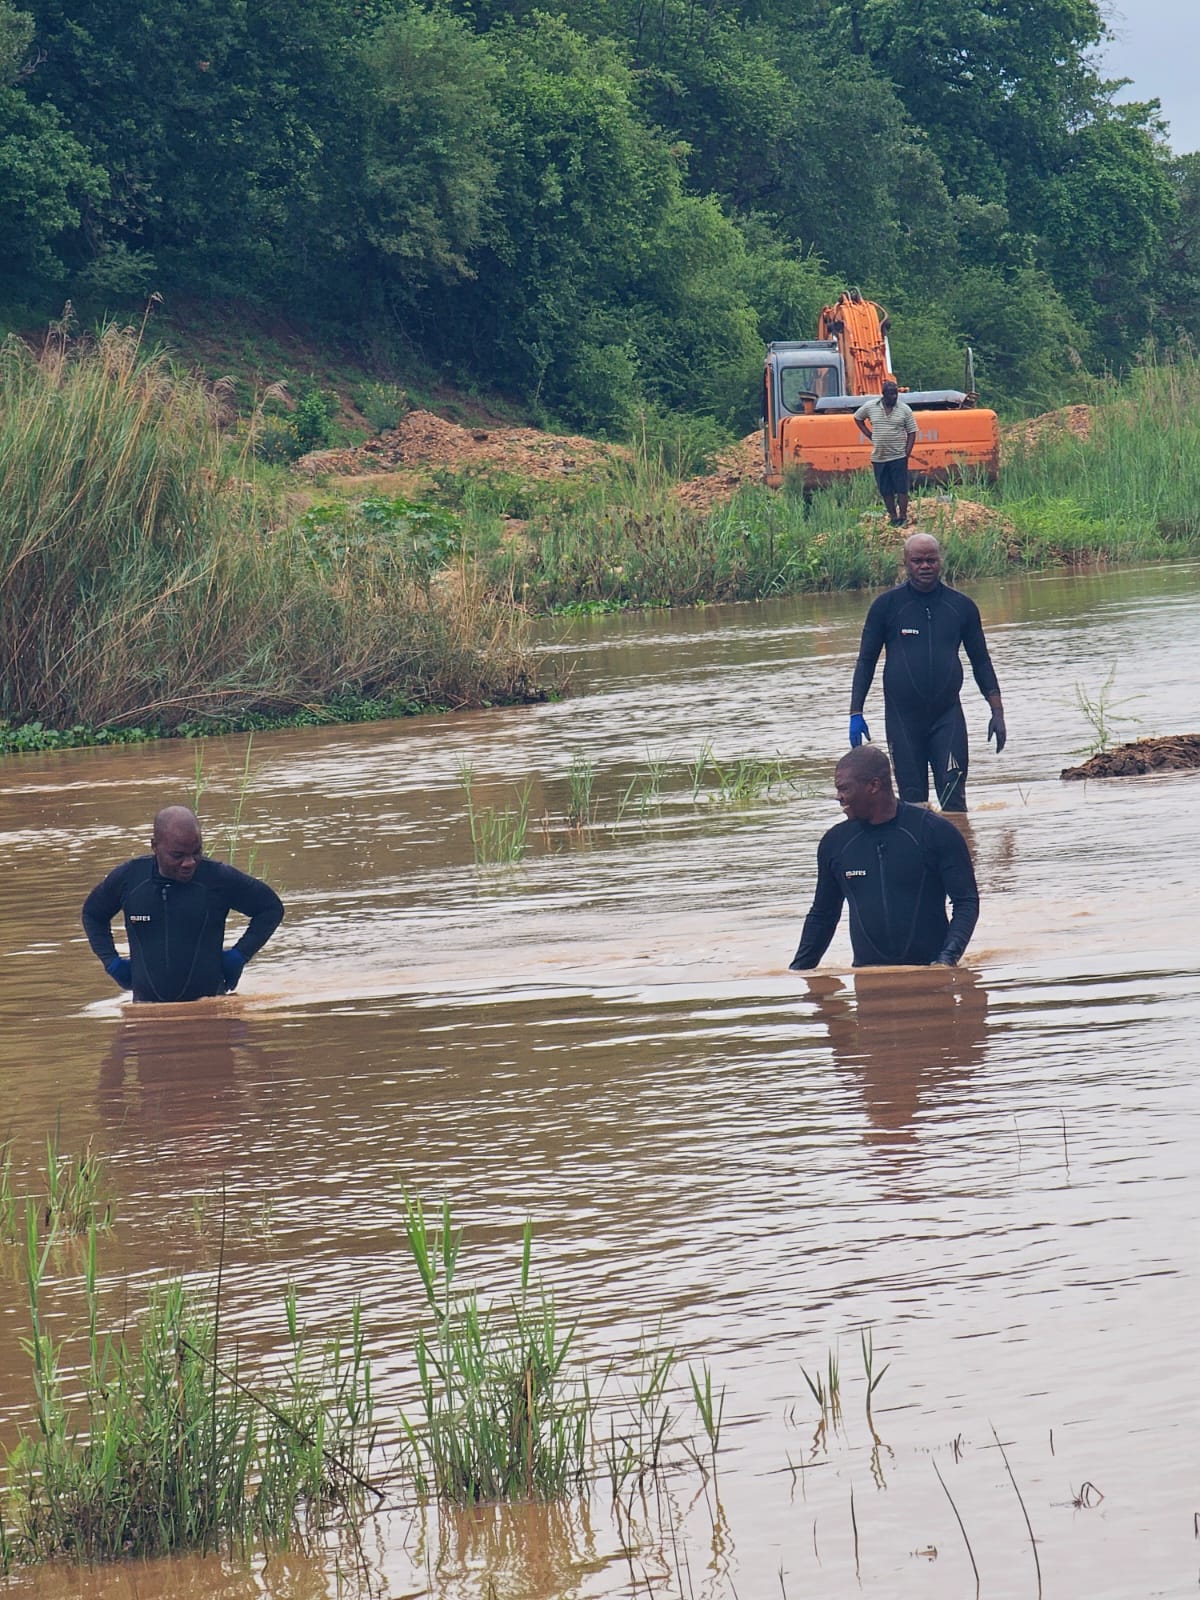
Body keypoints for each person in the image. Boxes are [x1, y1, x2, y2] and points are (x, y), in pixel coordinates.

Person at [848, 532, 1005, 812]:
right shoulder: (887, 607)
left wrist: (997, 711)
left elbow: (980, 660)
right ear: (905, 563)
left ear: (940, 561)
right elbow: (866, 661)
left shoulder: (961, 607)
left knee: (954, 802)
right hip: (903, 720)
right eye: (917, 560)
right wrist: (855, 712)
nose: (925, 566)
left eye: (931, 560)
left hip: (948, 717)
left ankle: (963, 850)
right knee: (913, 805)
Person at [788, 746, 979, 970]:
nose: (838, 797)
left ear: (874, 786)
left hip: (931, 976)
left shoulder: (933, 831)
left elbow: (966, 902)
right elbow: (823, 915)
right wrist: (798, 971)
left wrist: (946, 961)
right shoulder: (835, 843)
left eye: (844, 789)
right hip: (867, 978)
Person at [82, 805, 283, 1003]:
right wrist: (112, 963)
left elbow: (270, 909)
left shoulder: (217, 878)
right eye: (177, 855)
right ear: (155, 846)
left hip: (211, 1010)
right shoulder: (130, 879)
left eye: (196, 852)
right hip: (145, 1014)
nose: (189, 863)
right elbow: (93, 914)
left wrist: (239, 955)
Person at [854, 379, 916, 526]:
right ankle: (893, 517)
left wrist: (907, 452)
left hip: (898, 456)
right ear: (883, 394)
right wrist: (868, 434)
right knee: (885, 489)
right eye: (890, 394)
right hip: (879, 457)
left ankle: (903, 516)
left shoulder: (904, 409)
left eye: (895, 394)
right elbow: (857, 418)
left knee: (901, 488)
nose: (894, 397)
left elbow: (912, 431)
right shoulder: (870, 406)